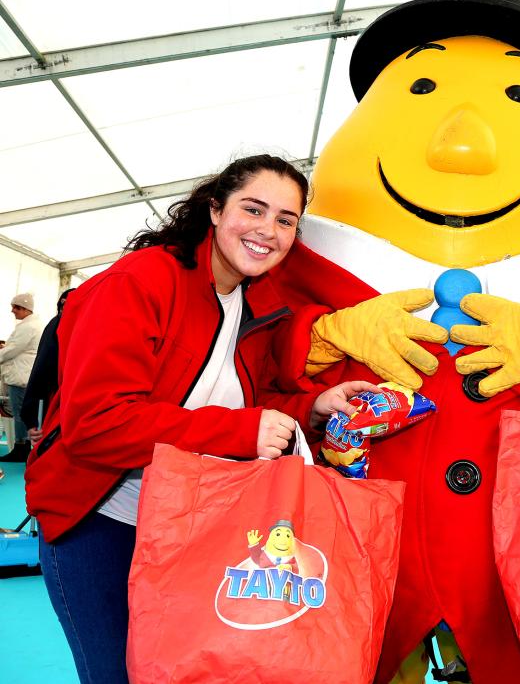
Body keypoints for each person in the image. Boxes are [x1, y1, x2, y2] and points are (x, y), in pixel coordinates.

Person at [24, 154, 375, 684]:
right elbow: (97, 423)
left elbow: (249, 404)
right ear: (214, 208)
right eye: (253, 209)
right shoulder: (139, 283)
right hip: (101, 523)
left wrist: (312, 407)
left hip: (197, 526)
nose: (267, 230)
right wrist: (238, 434)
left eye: (285, 219)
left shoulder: (257, 300)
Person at [21, 287, 75, 442]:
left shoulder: (59, 324)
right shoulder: (58, 324)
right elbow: (42, 368)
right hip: (58, 405)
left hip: (63, 407)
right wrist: (31, 416)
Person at [0, 292, 44, 458]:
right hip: (23, 375)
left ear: (26, 309)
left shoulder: (28, 327)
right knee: (23, 413)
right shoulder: (32, 325)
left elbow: (12, 350)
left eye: (16, 307)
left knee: (20, 413)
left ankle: (21, 447)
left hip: (20, 377)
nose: (13, 310)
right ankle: (23, 446)